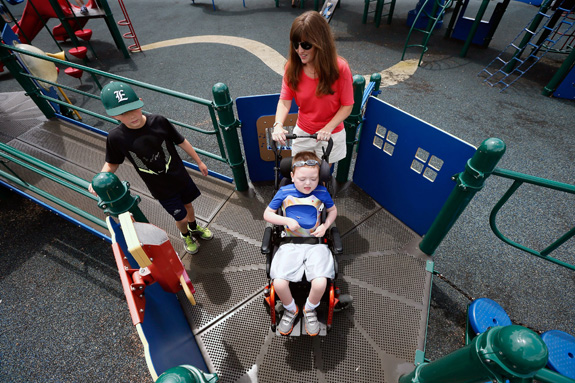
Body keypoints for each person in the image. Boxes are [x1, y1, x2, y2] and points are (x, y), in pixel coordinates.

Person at [89, 81, 213, 255]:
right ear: (114, 116)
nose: (131, 116)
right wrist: (99, 180)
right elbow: (112, 162)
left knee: (189, 206)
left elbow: (181, 141)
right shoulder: (116, 137)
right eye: (123, 113)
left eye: (133, 109)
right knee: (181, 216)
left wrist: (199, 161)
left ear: (140, 102)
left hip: (180, 177)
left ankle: (194, 228)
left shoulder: (159, 122)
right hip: (161, 188)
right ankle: (185, 234)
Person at [263, 151, 337, 336]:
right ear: (292, 176)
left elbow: (333, 210)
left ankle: (309, 309)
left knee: (320, 283)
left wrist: (326, 225)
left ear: (318, 177)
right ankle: (291, 309)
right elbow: (267, 214)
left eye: (313, 179)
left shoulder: (321, 191)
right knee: (279, 283)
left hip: (316, 243)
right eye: (302, 178)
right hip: (290, 243)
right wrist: (286, 221)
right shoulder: (284, 191)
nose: (308, 183)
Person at [271, 11, 354, 165]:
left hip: (331, 132)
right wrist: (278, 125)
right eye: (296, 44)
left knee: (322, 175)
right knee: (300, 172)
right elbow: (284, 101)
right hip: (304, 130)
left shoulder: (340, 68)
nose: (300, 50)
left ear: (320, 43)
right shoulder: (293, 67)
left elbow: (347, 105)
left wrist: (328, 128)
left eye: (306, 45)